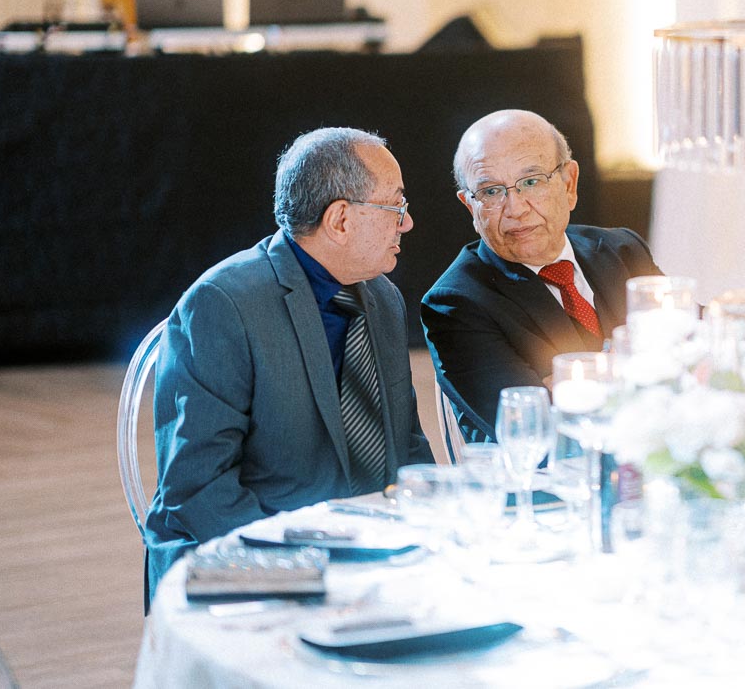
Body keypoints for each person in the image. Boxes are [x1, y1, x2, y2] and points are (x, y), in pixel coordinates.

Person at [144, 127, 433, 605]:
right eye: (395, 208)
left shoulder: (381, 298)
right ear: (340, 220)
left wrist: (437, 526)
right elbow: (197, 488)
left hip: (369, 557)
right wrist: (307, 570)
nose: (407, 224)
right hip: (250, 559)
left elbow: (406, 445)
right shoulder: (223, 304)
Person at [421, 110, 661, 441]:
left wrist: (580, 386)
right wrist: (640, 372)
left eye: (531, 182)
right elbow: (532, 429)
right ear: (470, 207)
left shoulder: (622, 250)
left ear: (569, 184)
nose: (515, 208)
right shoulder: (456, 302)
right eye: (491, 191)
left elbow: (698, 359)